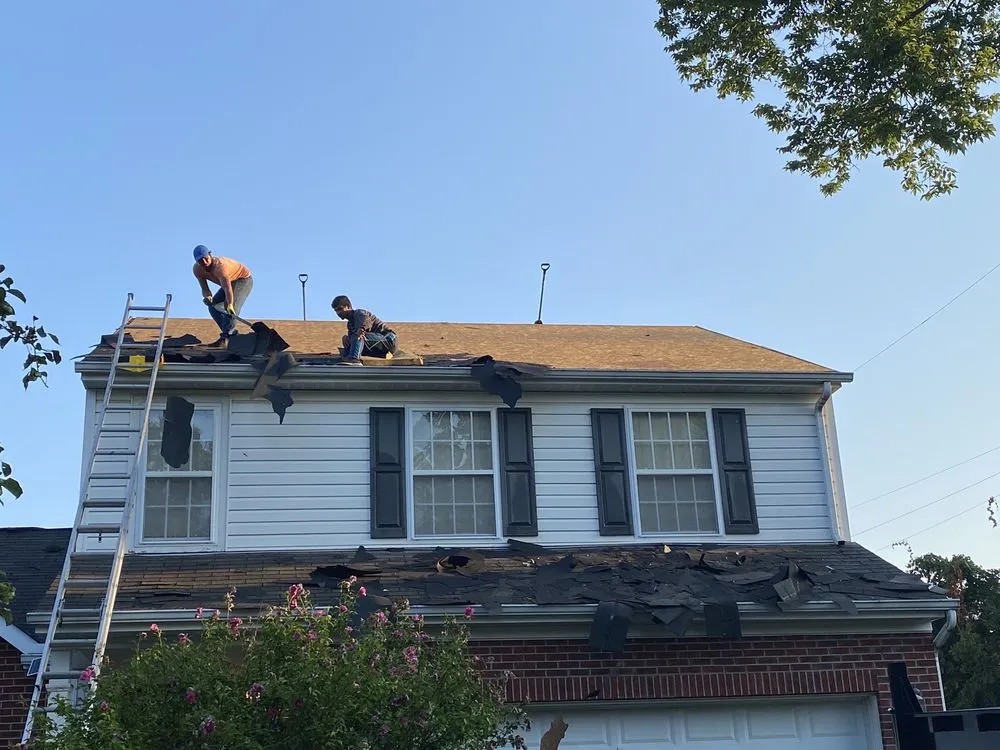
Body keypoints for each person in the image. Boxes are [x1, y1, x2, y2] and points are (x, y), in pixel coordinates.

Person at [192, 245, 254, 346]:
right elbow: (205, 289)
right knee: (212, 307)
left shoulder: (220, 267)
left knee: (232, 306)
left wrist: (229, 304)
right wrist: (207, 297)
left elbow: (227, 289)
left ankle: (225, 338)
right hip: (228, 283)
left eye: (206, 259)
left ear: (210, 255)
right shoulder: (197, 270)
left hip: (242, 280)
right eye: (200, 261)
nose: (204, 263)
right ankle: (231, 335)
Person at [331, 295, 398, 365]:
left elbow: (365, 320)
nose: (338, 313)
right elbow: (355, 344)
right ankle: (348, 359)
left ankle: (354, 360)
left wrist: (361, 329)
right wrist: (347, 341)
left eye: (340, 309)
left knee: (357, 336)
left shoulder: (359, 313)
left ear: (348, 306)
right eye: (336, 311)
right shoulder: (350, 324)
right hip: (377, 345)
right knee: (350, 340)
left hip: (389, 339)